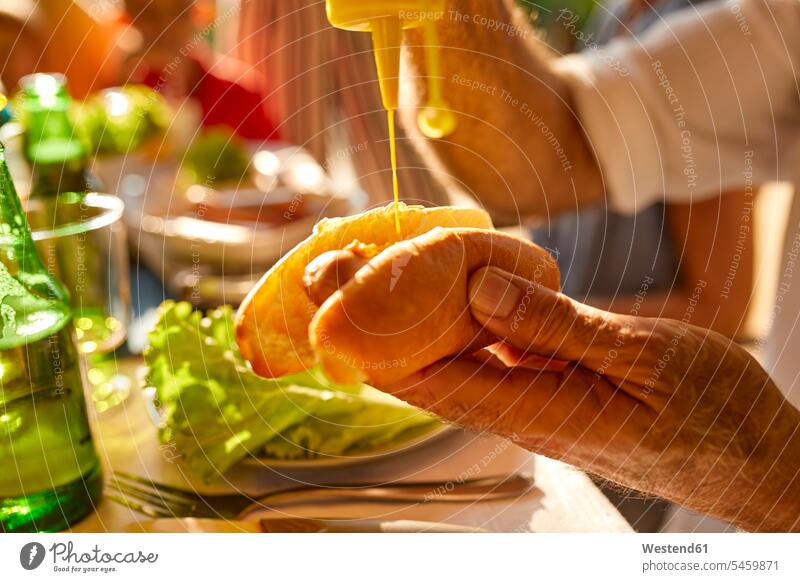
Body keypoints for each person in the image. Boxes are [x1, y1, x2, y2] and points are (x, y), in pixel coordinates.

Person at [358, 0, 800, 531]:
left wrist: (779, 481)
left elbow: (720, 306)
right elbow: (530, 158)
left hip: (664, 467)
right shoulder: (634, 17)